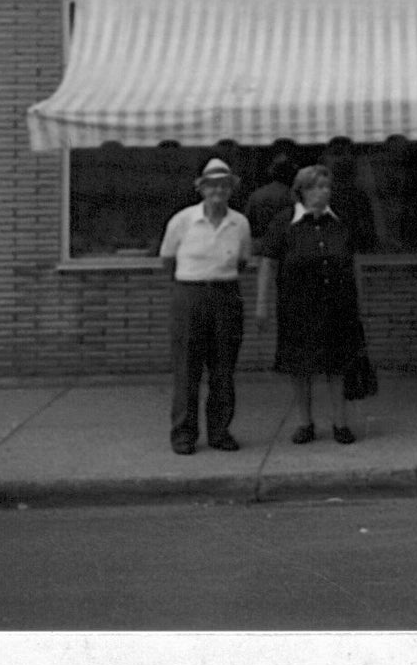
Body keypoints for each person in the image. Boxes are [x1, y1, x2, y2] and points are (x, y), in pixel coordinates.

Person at [257, 163, 369, 445]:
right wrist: (262, 305)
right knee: (300, 367)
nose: (324, 192)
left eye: (327, 187)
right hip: (298, 307)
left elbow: (353, 262)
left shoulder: (340, 221)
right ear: (302, 191)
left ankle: (340, 423)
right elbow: (268, 264)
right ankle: (305, 423)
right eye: (318, 187)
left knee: (337, 366)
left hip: (337, 306)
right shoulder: (284, 223)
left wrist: (361, 301)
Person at [158, 157, 251, 455]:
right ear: (201, 188)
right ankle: (184, 435)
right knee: (187, 369)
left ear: (231, 189)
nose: (218, 191)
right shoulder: (183, 220)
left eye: (224, 186)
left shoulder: (240, 223)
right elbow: (168, 260)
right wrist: (192, 284)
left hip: (226, 297)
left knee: (223, 368)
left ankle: (220, 432)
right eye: (212, 186)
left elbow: (242, 261)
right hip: (190, 296)